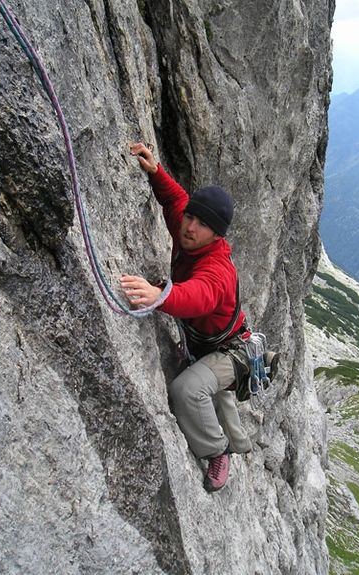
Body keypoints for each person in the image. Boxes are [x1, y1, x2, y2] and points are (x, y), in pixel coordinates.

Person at [120, 142, 253, 492]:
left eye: (201, 224)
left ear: (217, 234)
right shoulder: (191, 230)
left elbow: (198, 297)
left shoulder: (218, 269)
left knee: (187, 389)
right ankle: (234, 437)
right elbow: (176, 200)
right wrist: (156, 171)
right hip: (205, 343)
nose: (189, 227)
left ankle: (217, 451)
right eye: (191, 218)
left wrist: (160, 295)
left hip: (228, 351)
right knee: (215, 394)